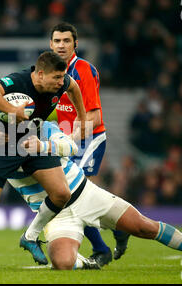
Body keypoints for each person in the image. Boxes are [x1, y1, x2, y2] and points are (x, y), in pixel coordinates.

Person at [0, 122, 182, 270]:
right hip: (56, 215)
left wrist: (44, 146)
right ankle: (89, 263)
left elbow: (72, 145)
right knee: (62, 263)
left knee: (145, 227)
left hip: (85, 194)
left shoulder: (42, 128)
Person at [0, 51, 87, 270]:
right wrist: (11, 110)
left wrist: (82, 118)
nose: (60, 82)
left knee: (61, 194)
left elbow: (73, 86)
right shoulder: (18, 81)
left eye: (61, 77)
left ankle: (30, 236)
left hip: (33, 139)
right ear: (39, 74)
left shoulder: (62, 81)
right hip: (4, 140)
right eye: (55, 78)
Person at [49, 22, 129, 266]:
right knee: (73, 195)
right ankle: (117, 228)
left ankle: (102, 247)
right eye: (57, 41)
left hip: (89, 138)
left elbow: (94, 116)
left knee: (74, 193)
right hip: (67, 141)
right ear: (50, 44)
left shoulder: (83, 70)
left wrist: (72, 137)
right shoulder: (49, 70)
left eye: (66, 41)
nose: (61, 45)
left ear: (75, 44)